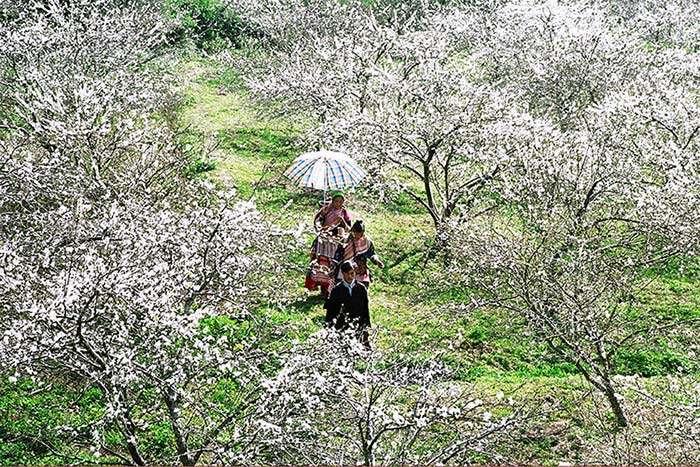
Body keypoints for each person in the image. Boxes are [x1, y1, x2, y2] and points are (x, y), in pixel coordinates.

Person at [324, 260, 370, 348]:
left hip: (358, 323)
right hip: (342, 325)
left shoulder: (361, 288)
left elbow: (365, 308)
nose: (350, 276)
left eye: (352, 273)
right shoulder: (336, 290)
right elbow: (331, 311)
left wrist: (366, 324)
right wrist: (329, 326)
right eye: (347, 274)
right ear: (342, 273)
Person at [335, 220, 384, 287]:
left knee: (361, 287)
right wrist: (334, 265)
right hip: (346, 268)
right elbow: (338, 255)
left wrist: (376, 261)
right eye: (355, 233)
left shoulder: (367, 242)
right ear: (352, 231)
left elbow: (371, 253)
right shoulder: (345, 241)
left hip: (360, 269)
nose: (357, 235)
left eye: (359, 233)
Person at [305, 225, 344, 299]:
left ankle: (323, 293)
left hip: (320, 262)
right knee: (328, 279)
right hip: (328, 264)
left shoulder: (320, 238)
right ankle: (325, 293)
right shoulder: (336, 241)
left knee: (322, 277)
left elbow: (314, 250)